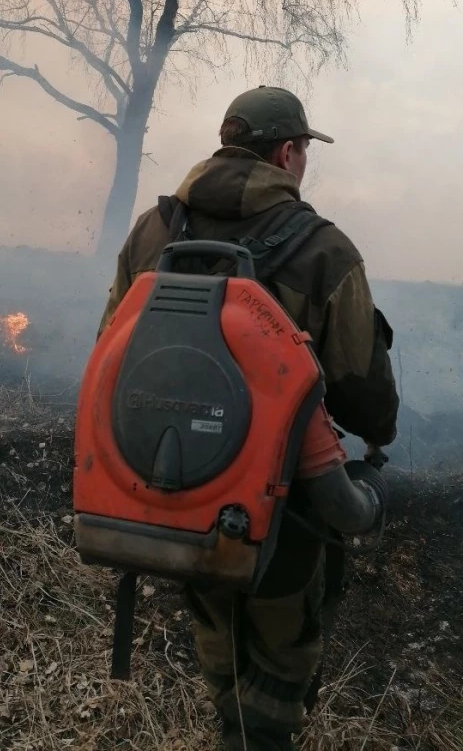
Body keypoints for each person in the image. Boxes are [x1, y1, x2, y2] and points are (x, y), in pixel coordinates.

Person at [98, 85, 398, 751]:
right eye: (303, 154)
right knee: (283, 659)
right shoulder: (325, 251)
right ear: (288, 152)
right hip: (283, 509)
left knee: (219, 633)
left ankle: (231, 723)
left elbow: (110, 354)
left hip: (175, 490)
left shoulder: (153, 232)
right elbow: (366, 401)